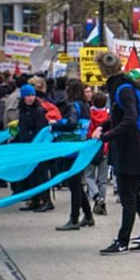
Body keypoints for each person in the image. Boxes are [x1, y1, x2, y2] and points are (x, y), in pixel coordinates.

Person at [93, 52, 140, 255]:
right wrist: (104, 127)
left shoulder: (123, 89)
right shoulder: (122, 86)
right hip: (129, 150)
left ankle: (123, 242)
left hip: (130, 152)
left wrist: (106, 136)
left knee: (128, 199)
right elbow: (118, 117)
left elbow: (130, 120)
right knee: (135, 198)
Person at [52, 79, 93, 230]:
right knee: (77, 182)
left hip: (72, 148)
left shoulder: (73, 106)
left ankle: (74, 218)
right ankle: (88, 215)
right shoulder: (84, 106)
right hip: (81, 146)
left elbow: (71, 124)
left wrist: (54, 126)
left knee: (74, 183)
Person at [17, 84, 54, 212]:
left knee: (41, 175)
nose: (30, 98)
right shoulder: (23, 110)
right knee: (32, 174)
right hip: (27, 147)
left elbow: (40, 130)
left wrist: (33, 142)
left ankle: (46, 200)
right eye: (28, 95)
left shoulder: (38, 110)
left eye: (32, 95)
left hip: (37, 148)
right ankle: (35, 199)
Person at [84, 91, 110, 215]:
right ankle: (102, 204)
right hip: (105, 147)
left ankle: (96, 196)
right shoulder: (108, 115)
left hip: (91, 148)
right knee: (102, 179)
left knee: (89, 176)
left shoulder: (89, 114)